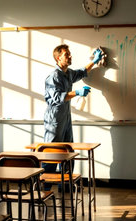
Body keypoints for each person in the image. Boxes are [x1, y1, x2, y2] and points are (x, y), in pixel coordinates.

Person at [42, 44, 104, 181]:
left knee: (68, 153)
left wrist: (94, 61)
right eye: (66, 55)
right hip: (54, 120)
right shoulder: (53, 76)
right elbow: (57, 97)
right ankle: (45, 186)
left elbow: (82, 72)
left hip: (65, 119)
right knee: (52, 155)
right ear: (58, 58)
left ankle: (66, 186)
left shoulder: (68, 73)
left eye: (70, 54)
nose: (70, 56)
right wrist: (77, 92)